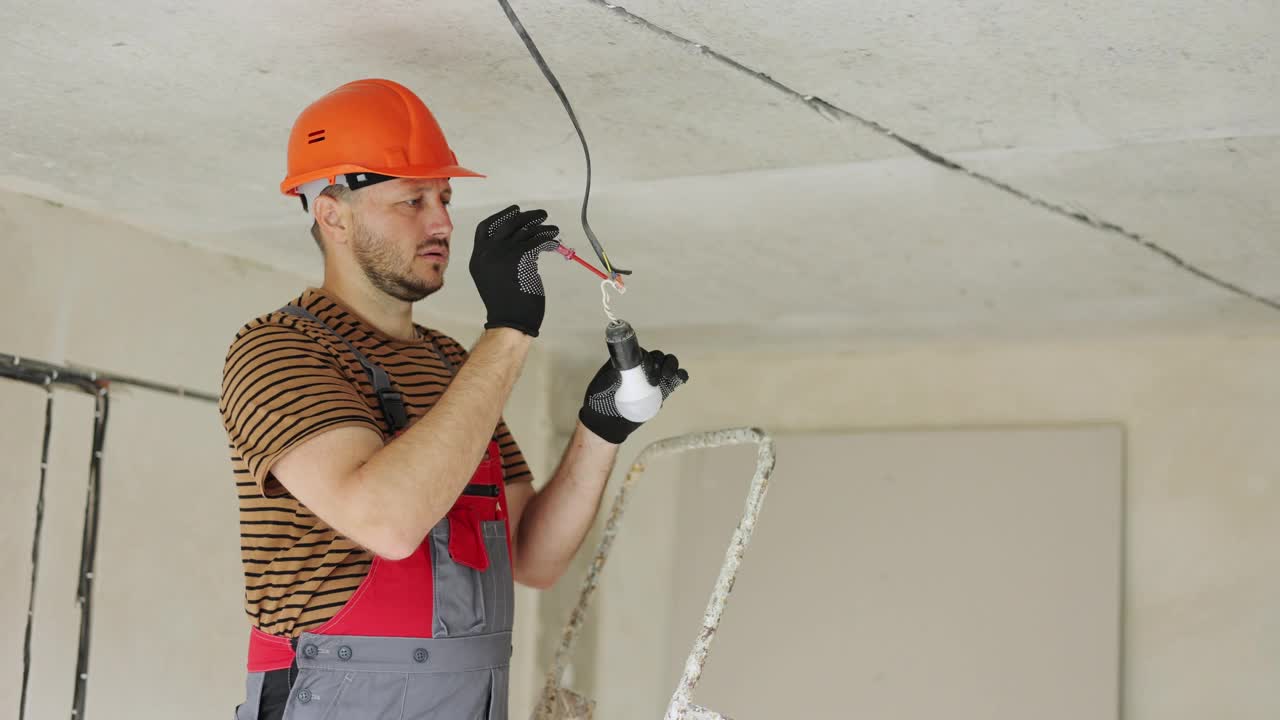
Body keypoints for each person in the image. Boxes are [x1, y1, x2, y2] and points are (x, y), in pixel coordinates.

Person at [220, 78, 688, 720]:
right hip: (340, 699)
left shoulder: (449, 365)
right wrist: (511, 330)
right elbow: (386, 522)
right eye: (412, 200)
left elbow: (533, 557)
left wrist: (600, 431)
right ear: (332, 213)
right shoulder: (281, 350)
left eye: (443, 198)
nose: (442, 222)